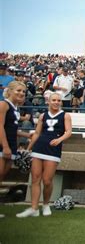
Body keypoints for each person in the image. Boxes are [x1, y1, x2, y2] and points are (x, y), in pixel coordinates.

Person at [16, 92, 72, 218]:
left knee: (47, 180)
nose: (56, 102)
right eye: (54, 100)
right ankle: (34, 207)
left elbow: (69, 131)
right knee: (35, 178)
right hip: (39, 147)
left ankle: (46, 204)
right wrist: (28, 148)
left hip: (53, 150)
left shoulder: (65, 115)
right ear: (49, 101)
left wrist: (59, 139)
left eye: (59, 100)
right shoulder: (43, 116)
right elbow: (36, 133)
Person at [0, 81, 33, 218]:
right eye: (18, 90)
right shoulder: (3, 104)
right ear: (10, 91)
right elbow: (0, 127)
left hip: (12, 145)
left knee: (1, 177)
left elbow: (12, 129)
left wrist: (27, 135)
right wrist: (5, 146)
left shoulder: (15, 109)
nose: (21, 93)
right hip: (3, 145)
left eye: (23, 92)